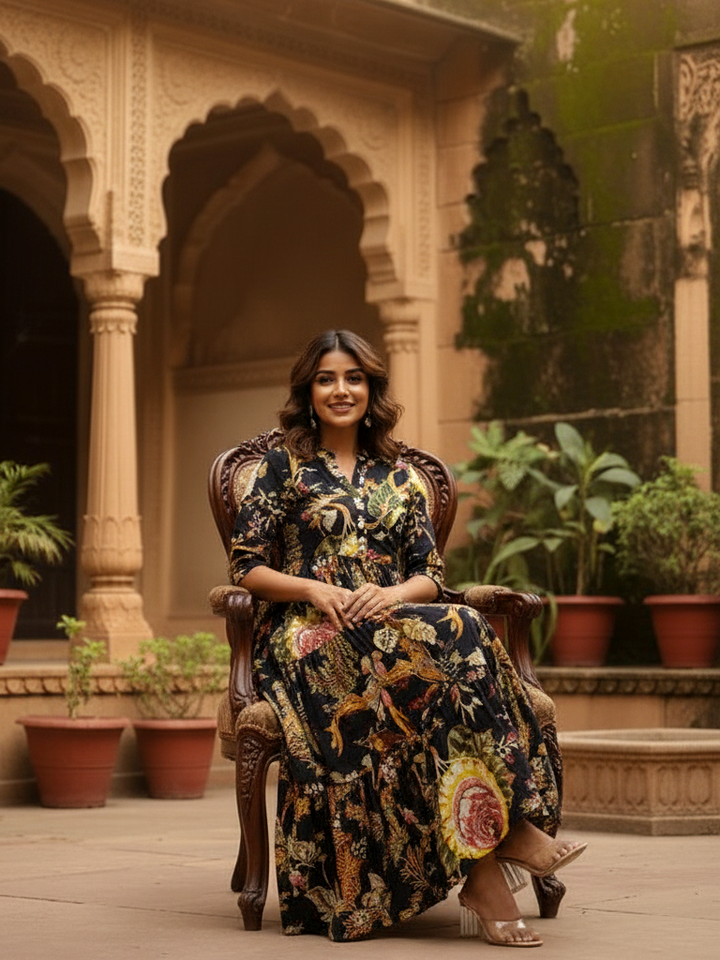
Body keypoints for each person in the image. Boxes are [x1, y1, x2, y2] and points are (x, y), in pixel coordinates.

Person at [229, 330, 585, 945]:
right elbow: (246, 567)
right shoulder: (280, 470)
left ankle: (484, 863)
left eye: (354, 378)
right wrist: (313, 589)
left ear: (372, 389)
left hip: (390, 623)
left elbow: (429, 575)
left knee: (460, 626)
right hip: (309, 639)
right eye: (327, 379)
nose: (341, 390)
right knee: (434, 650)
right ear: (307, 392)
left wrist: (391, 595)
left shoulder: (399, 476)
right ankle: (507, 841)